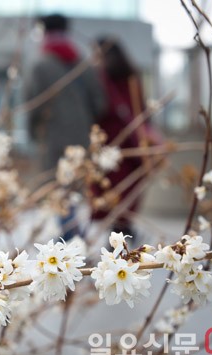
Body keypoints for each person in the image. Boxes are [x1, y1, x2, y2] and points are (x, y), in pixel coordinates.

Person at [25, 14, 107, 240]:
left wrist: (34, 133)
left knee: (59, 188)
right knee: (75, 189)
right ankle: (73, 234)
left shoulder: (41, 66)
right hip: (82, 137)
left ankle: (70, 236)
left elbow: (34, 105)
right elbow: (100, 102)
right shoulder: (83, 64)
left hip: (54, 138)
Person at [90, 36, 162, 239]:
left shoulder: (103, 78)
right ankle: (122, 228)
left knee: (112, 186)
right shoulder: (132, 76)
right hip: (132, 142)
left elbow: (102, 107)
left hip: (112, 140)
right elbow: (141, 108)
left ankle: (119, 231)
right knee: (126, 188)